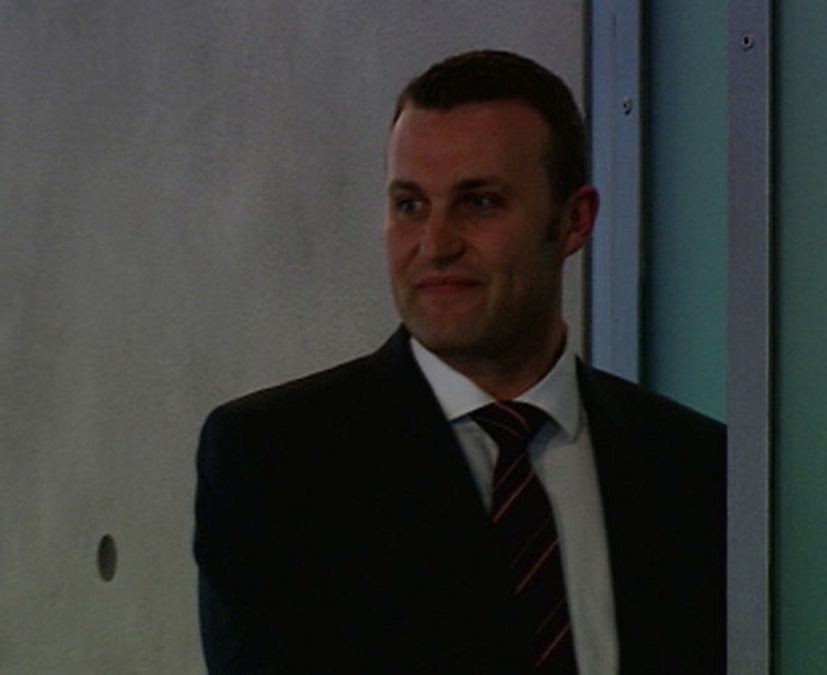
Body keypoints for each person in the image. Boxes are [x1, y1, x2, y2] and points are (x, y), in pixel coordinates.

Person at [193, 49, 725, 674]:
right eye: (410, 205)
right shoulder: (278, 463)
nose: (435, 244)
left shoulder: (692, 466)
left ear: (575, 221)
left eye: (479, 203)